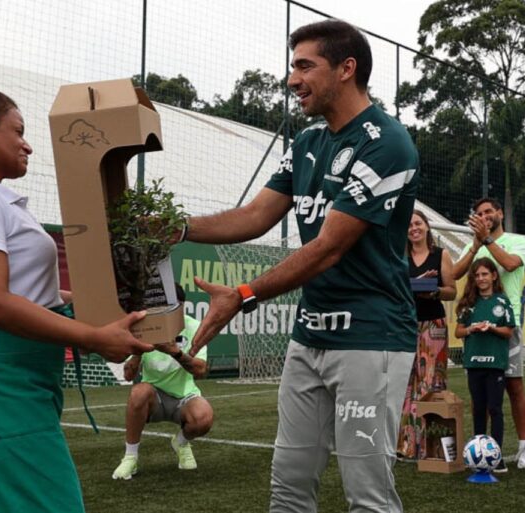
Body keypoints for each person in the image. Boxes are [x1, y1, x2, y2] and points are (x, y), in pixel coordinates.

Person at [182, 20, 419, 513]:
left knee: (367, 493)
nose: (292, 79)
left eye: (305, 65)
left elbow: (330, 247)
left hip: (370, 338)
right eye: (293, 66)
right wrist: (176, 228)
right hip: (308, 338)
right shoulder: (308, 142)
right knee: (288, 485)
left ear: (346, 69)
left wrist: (244, 295)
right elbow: (253, 216)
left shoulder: (388, 144)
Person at [0, 84, 154, 513]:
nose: (27, 145)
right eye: (18, 131)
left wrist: (90, 302)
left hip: (4, 380)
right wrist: (93, 336)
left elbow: (19, 291)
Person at [453, 197, 525, 470]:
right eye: (479, 213)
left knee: (514, 388)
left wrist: (487, 240)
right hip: (476, 330)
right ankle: (483, 451)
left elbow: (511, 264)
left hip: (506, 326)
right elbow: (454, 274)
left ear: (500, 213)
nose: (485, 215)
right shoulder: (473, 244)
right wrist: (475, 245)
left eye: (489, 211)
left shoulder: (515, 240)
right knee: (480, 395)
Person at [112, 285, 214, 480]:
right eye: (160, 306)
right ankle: (130, 457)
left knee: (204, 417)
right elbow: (127, 375)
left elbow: (200, 370)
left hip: (185, 396)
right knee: (138, 392)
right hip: (154, 397)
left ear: (181, 307)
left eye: (171, 307)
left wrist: (174, 351)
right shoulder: (145, 329)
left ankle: (181, 442)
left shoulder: (194, 327)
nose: (164, 311)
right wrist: (138, 352)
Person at [397, 210, 456, 459]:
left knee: (431, 384)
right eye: (409, 225)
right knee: (405, 386)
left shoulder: (441, 255)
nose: (414, 228)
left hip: (434, 325)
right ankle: (407, 445)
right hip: (405, 324)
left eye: (418, 223)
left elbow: (451, 291)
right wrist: (414, 284)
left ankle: (432, 448)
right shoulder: (399, 257)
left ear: (427, 227)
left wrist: (431, 291)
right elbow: (394, 289)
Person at [455, 258, 515, 473]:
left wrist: (491, 328)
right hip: (474, 362)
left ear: (493, 276)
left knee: (495, 408)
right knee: (478, 409)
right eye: (477, 275)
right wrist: (471, 328)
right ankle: (478, 456)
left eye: (484, 274)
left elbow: (509, 332)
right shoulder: (469, 303)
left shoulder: (503, 302)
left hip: (495, 363)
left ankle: (496, 457)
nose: (480, 279)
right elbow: (458, 332)